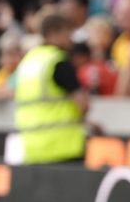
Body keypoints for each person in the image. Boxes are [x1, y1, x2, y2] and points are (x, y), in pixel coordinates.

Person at [13, 13, 90, 164]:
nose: (70, 40)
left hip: (32, 148)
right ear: (54, 33)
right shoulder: (58, 62)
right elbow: (83, 103)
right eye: (68, 33)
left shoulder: (29, 60)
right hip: (63, 147)